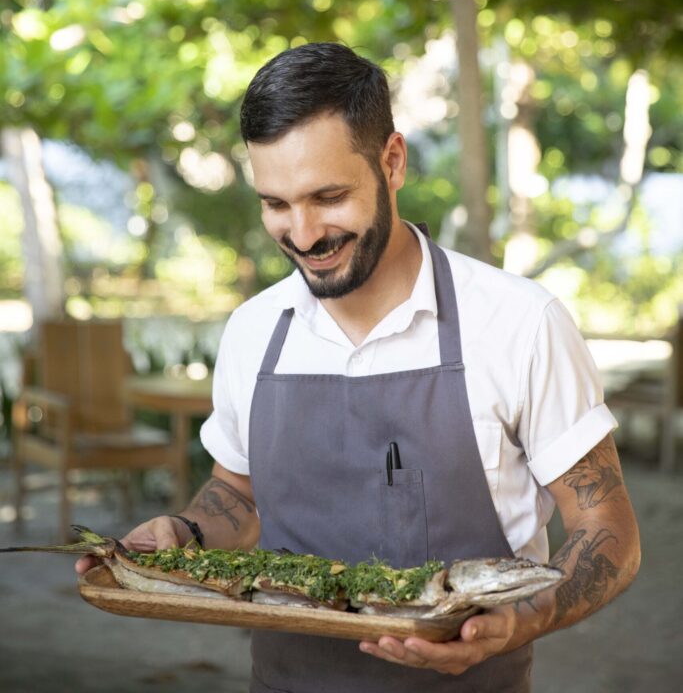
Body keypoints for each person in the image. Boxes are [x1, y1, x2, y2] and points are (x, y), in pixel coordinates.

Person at [77, 42, 640, 692]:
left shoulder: (518, 323)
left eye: (328, 196)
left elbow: (608, 532)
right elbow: (239, 494)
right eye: (276, 204)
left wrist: (517, 622)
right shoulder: (253, 331)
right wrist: (184, 532)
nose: (305, 233)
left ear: (391, 161)